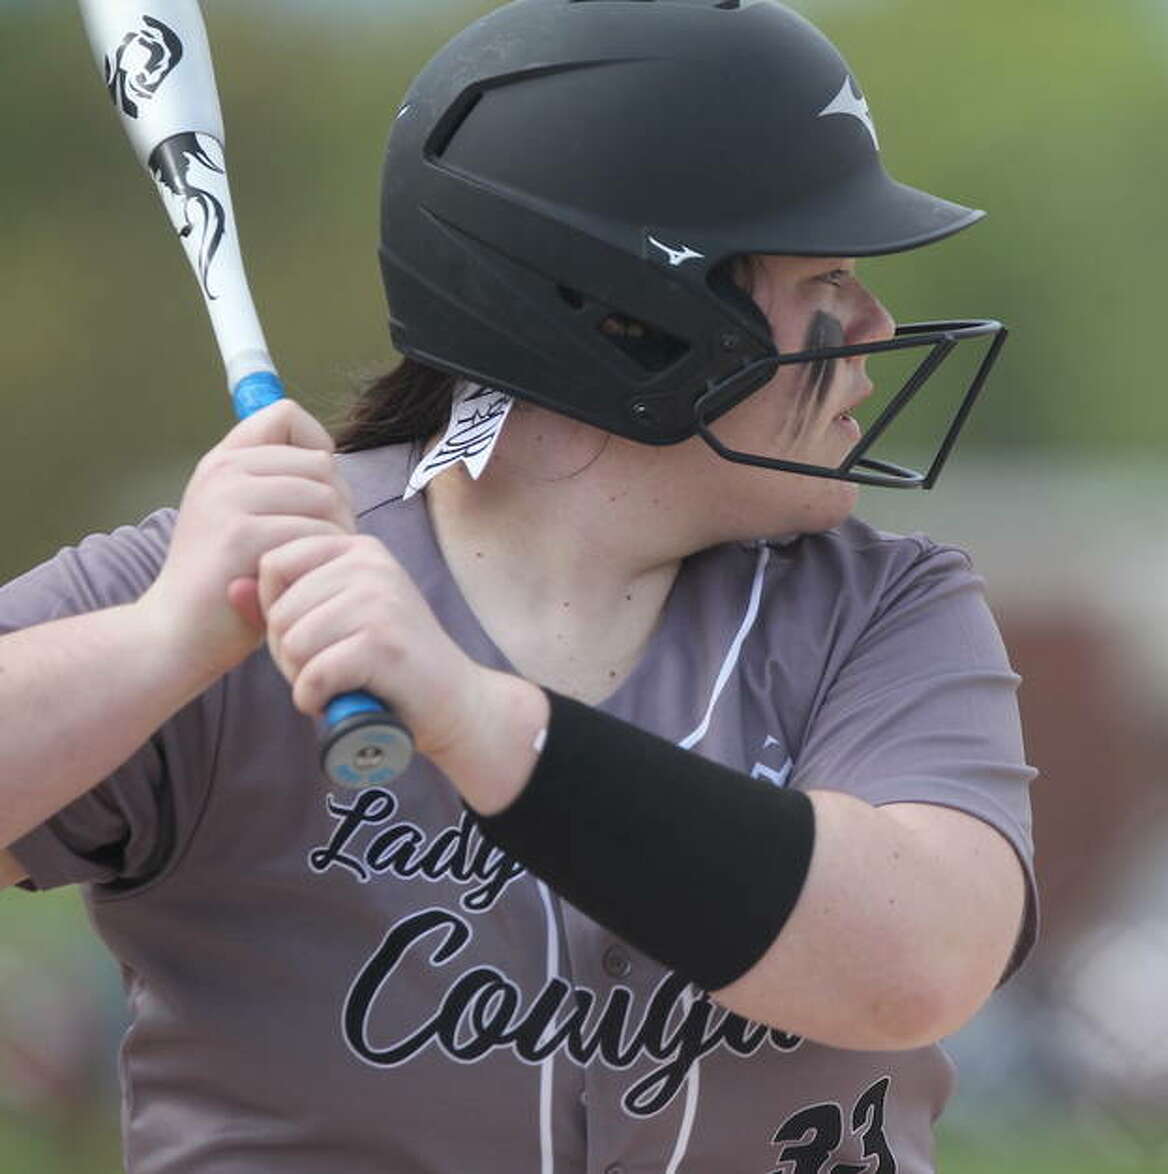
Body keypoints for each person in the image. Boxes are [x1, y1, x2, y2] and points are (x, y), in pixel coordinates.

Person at [0, 1, 1036, 1170]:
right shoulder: (239, 575)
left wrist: (484, 719)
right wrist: (161, 645)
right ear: (628, 320)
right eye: (828, 281)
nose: (877, 328)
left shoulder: (884, 610)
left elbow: (917, 965)